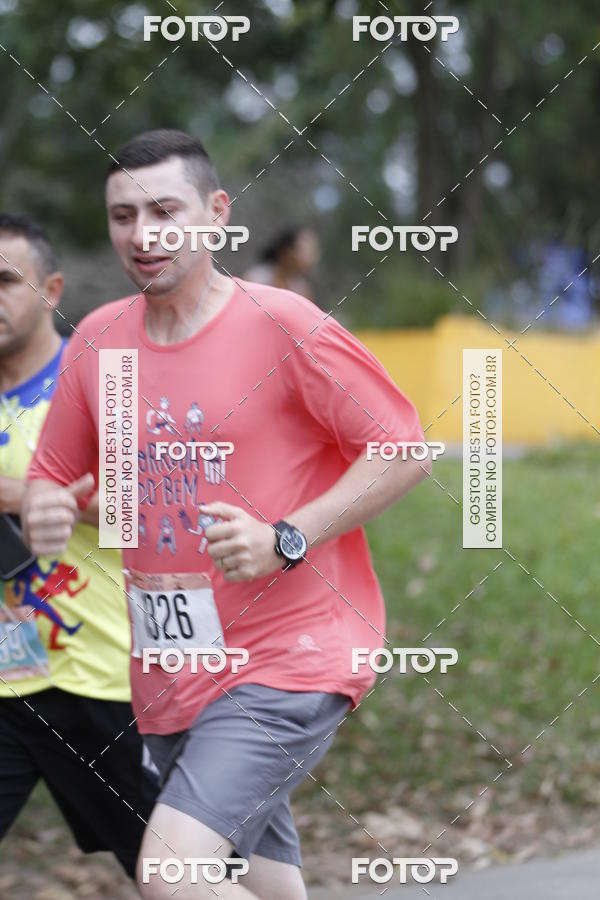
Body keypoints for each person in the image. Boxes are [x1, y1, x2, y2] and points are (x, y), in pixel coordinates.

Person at [23, 130, 430, 900]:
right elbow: (56, 479)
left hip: (288, 654)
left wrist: (288, 535)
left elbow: (403, 448)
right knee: (264, 884)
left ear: (216, 214)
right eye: (123, 216)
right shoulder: (100, 341)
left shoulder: (282, 323)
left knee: (172, 874)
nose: (142, 234)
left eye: (164, 211)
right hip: (174, 664)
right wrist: (48, 510)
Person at [0, 214, 157, 878]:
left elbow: (148, 513)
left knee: (182, 874)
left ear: (52, 289)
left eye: (6, 280)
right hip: (8, 679)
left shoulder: (102, 381)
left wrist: (20, 494)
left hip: (106, 678)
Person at [244, 226, 320, 299]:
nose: (311, 258)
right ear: (286, 251)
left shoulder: (301, 290)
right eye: (305, 252)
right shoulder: (256, 279)